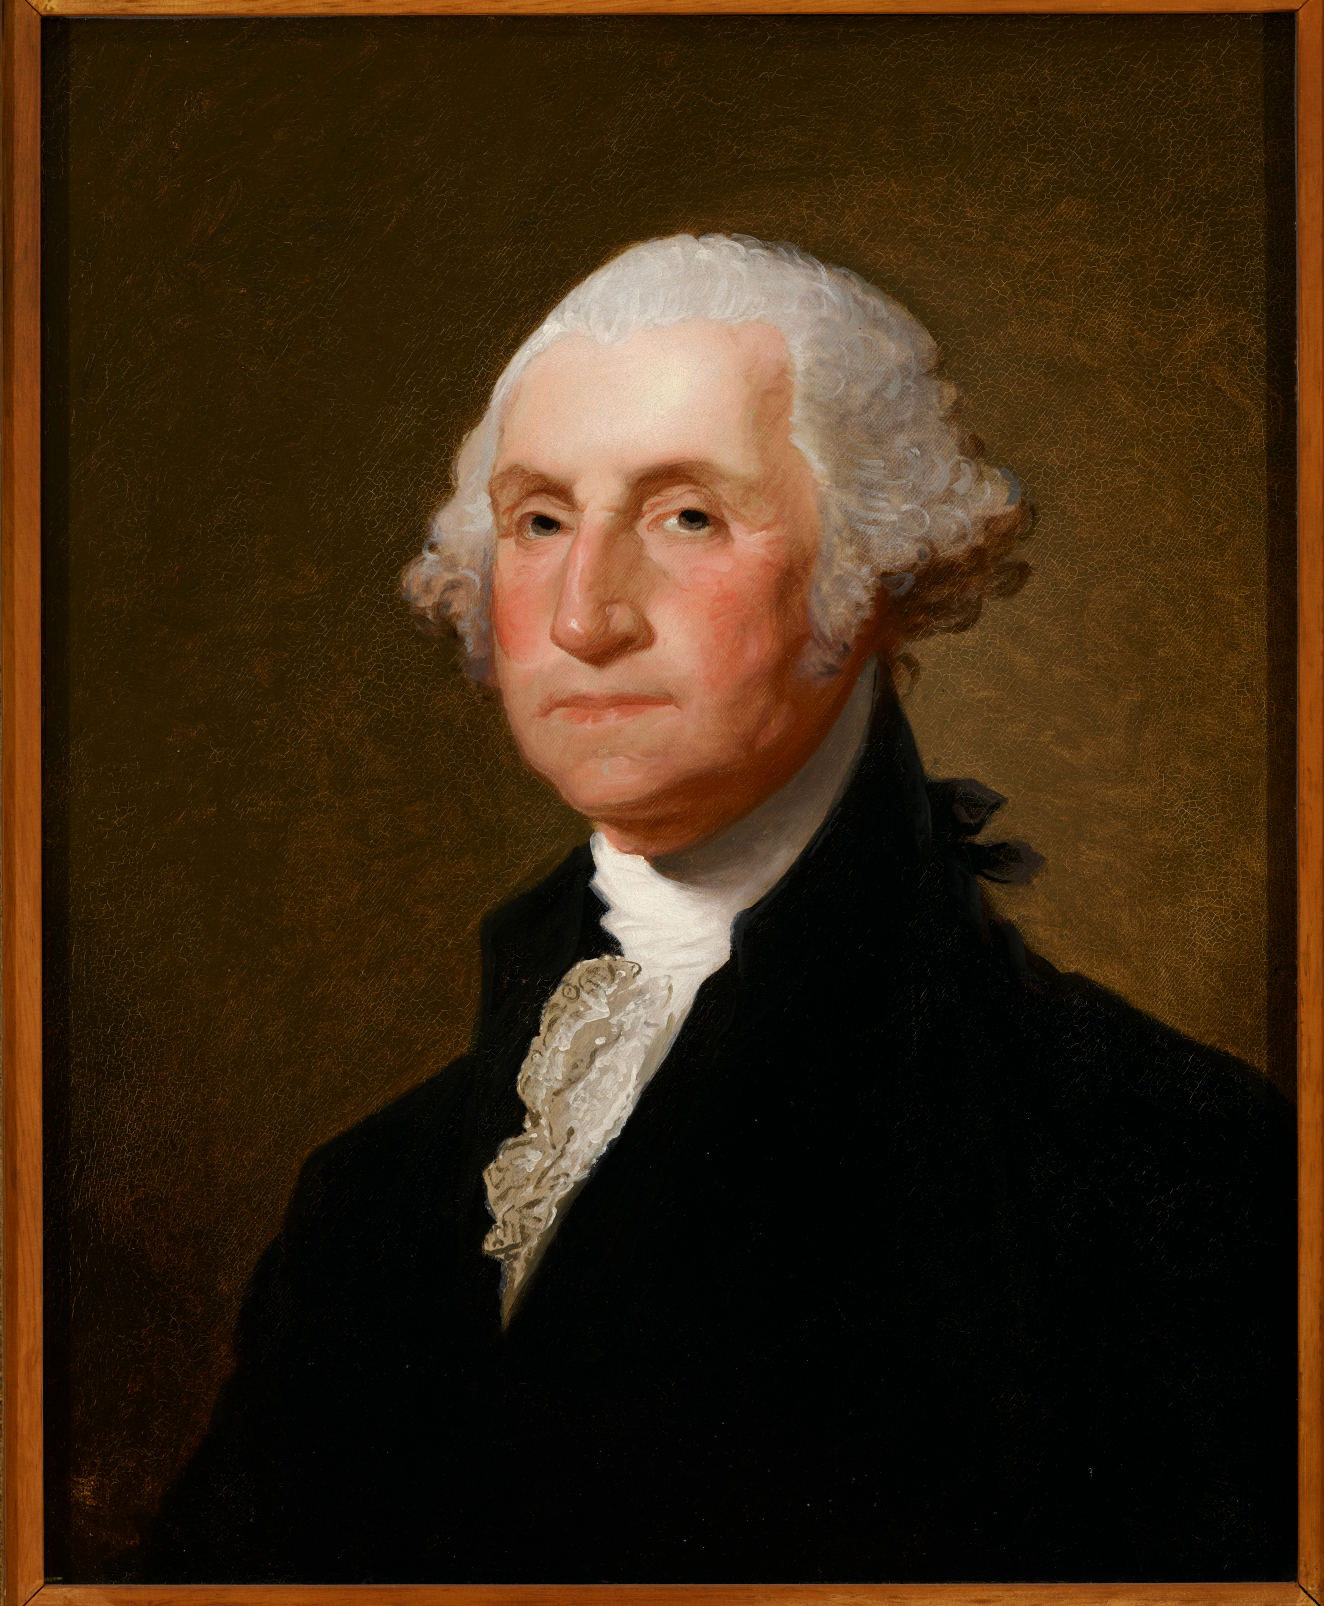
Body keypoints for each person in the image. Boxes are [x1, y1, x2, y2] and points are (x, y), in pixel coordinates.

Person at [138, 235, 1294, 1584]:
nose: (584, 616)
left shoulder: (1169, 1164)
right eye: (539, 521)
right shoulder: (365, 1197)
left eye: (687, 515)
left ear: (874, 565)